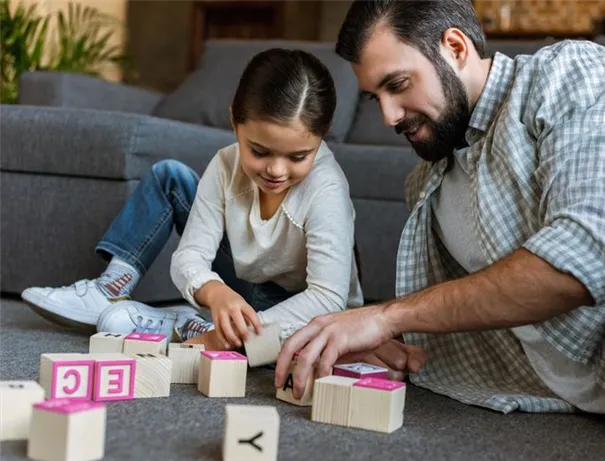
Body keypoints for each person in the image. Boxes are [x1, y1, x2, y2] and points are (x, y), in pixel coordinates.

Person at [274, 0, 605, 460]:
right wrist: (390, 342)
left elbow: (586, 259)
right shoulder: (427, 182)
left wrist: (386, 317)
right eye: (376, 98)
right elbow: (471, 306)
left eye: (398, 85)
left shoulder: (568, 73)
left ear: (455, 47)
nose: (390, 116)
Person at [22, 48, 363, 351]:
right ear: (234, 122)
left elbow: (326, 299)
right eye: (259, 151)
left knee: (281, 352)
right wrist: (214, 291)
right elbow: (190, 256)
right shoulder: (225, 165)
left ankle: (193, 326)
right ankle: (111, 288)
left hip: (296, 306)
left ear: (320, 139)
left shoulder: (327, 188)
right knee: (169, 175)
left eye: (299, 157)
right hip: (242, 288)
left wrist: (237, 337)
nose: (276, 170)